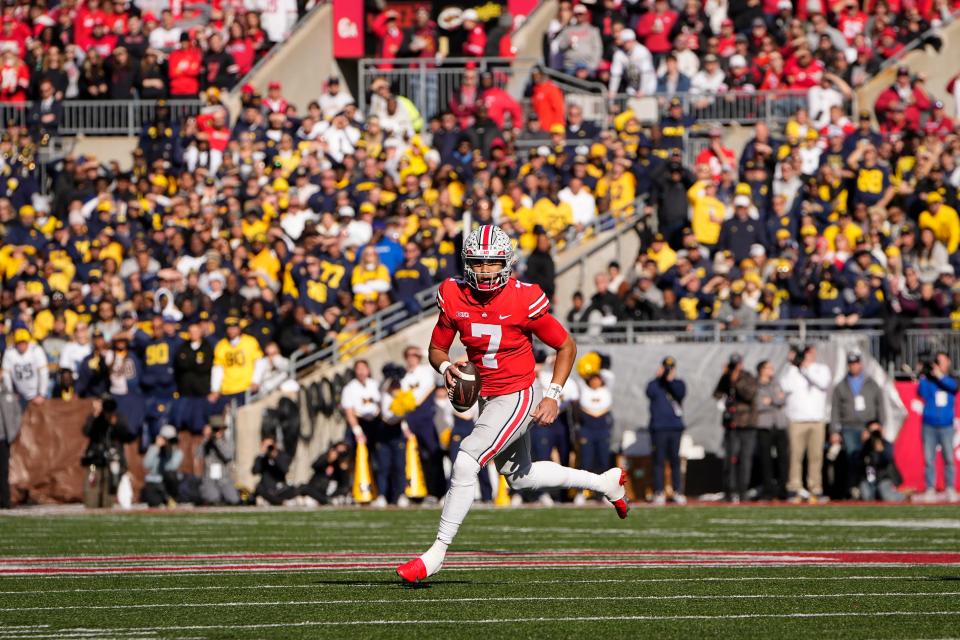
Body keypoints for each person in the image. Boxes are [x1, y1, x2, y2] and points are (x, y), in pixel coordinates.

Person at [396, 225, 628, 584]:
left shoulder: (524, 297)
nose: (486, 270)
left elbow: (566, 346)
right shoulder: (453, 294)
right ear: (467, 263)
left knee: (466, 459)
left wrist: (552, 394)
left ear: (506, 263)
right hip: (488, 396)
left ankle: (437, 552)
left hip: (520, 392)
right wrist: (446, 367)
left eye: (492, 262)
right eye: (479, 262)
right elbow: (436, 348)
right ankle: (606, 483)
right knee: (520, 477)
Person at [780, 344, 832, 503]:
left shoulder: (821, 369)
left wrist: (805, 368)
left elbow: (823, 383)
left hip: (817, 420)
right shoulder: (792, 370)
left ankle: (815, 488)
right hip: (797, 420)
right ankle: (794, 488)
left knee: (816, 457)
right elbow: (784, 385)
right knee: (795, 456)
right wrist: (793, 365)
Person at [400, 346, 444, 500]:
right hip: (411, 419)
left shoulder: (425, 370)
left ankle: (438, 491)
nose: (411, 358)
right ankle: (420, 491)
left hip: (426, 418)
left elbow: (437, 363)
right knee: (416, 456)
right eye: (409, 355)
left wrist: (422, 352)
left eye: (414, 355)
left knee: (433, 454)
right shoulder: (404, 377)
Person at [713, 354, 758, 502]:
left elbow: (749, 394)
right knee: (729, 459)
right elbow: (717, 394)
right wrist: (726, 378)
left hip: (746, 424)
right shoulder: (726, 376)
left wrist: (736, 380)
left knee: (745, 459)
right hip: (731, 424)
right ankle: (729, 490)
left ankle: (743, 490)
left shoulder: (747, 377)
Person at [831, 351, 885, 470]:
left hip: (869, 426)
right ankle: (855, 485)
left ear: (860, 364)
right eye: (851, 364)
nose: (854, 366)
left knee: (872, 455)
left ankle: (870, 483)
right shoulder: (841, 385)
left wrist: (881, 424)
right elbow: (835, 409)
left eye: (856, 363)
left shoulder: (871, 383)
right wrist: (834, 430)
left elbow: (880, 404)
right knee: (853, 456)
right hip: (849, 426)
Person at [917, 351, 958, 502]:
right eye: (937, 361)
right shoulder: (929, 379)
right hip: (929, 425)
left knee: (948, 458)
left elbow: (953, 387)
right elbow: (921, 392)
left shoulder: (951, 378)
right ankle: (930, 488)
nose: (938, 364)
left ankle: (950, 488)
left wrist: (939, 375)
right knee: (929, 459)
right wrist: (923, 374)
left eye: (941, 361)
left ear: (948, 362)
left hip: (946, 425)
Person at [647, 356, 687, 505]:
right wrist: (659, 378)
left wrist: (670, 380)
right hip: (658, 428)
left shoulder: (679, 383)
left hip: (675, 428)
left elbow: (680, 394)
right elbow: (649, 392)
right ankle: (659, 491)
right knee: (658, 460)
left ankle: (677, 490)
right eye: (666, 367)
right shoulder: (655, 384)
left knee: (675, 460)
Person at [80, 396, 132, 509]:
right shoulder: (95, 418)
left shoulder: (118, 418)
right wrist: (96, 416)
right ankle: (91, 508)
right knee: (92, 481)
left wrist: (115, 423)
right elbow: (87, 431)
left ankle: (106, 510)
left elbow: (128, 436)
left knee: (110, 485)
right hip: (94, 460)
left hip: (112, 460)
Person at [209, 315, 266, 412]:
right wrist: (215, 389)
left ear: (239, 329)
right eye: (229, 328)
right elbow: (218, 369)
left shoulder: (250, 341)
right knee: (228, 419)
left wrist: (256, 381)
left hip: (246, 387)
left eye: (234, 327)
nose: (232, 330)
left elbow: (260, 362)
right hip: (228, 389)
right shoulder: (221, 345)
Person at [753, 360, 789, 500]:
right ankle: (768, 490)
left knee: (783, 459)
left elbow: (782, 399)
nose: (771, 370)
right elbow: (759, 404)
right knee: (766, 460)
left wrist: (771, 401)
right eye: (768, 368)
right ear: (761, 370)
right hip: (764, 426)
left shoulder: (776, 383)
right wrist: (775, 401)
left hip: (779, 425)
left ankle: (782, 490)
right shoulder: (756, 385)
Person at [856, 421, 905, 502]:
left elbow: (887, 459)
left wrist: (880, 451)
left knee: (887, 497)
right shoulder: (865, 446)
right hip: (868, 478)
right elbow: (859, 463)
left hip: (883, 478)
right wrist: (864, 444)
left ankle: (904, 496)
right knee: (867, 497)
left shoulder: (886, 444)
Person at [197, 415, 240, 506]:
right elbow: (199, 454)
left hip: (224, 477)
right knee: (213, 498)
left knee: (234, 499)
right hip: (210, 477)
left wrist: (218, 440)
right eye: (215, 429)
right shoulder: (207, 443)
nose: (218, 432)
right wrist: (206, 438)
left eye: (219, 429)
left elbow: (228, 455)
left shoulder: (227, 441)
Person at [2, 329, 49, 410]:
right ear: (15, 343)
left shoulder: (36, 350)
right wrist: (11, 393)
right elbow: (6, 375)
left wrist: (42, 394)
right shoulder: (9, 352)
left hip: (36, 392)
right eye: (19, 342)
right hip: (20, 394)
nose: (22, 345)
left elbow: (43, 373)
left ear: (28, 342)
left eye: (24, 342)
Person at [142, 424, 183, 508]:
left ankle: (171, 498)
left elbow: (172, 468)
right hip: (154, 482)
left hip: (167, 484)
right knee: (153, 503)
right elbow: (146, 464)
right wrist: (156, 447)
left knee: (171, 475)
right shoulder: (154, 450)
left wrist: (170, 451)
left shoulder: (178, 453)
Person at [252, 436, 297, 506]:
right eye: (265, 445)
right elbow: (255, 471)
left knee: (292, 489)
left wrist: (275, 457)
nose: (268, 448)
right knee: (258, 488)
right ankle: (281, 502)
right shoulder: (261, 458)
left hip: (280, 487)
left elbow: (285, 469)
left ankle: (272, 501)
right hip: (266, 488)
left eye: (270, 445)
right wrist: (262, 456)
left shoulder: (282, 455)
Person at [0, 379, 21, 509]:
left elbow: (17, 414)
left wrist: (11, 434)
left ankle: (5, 500)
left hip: (3, 438)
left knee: (3, 471)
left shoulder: (8, 395)